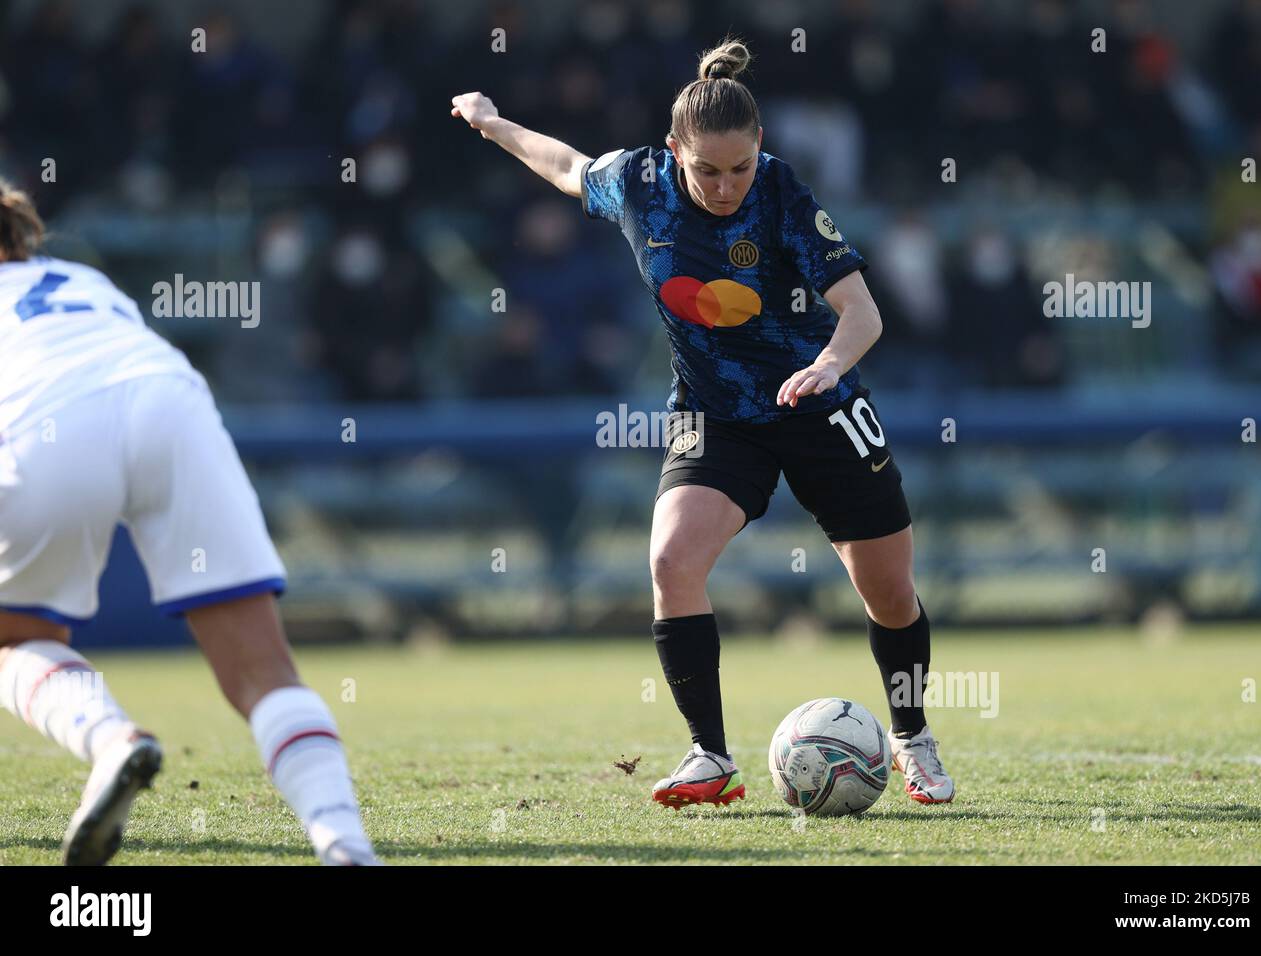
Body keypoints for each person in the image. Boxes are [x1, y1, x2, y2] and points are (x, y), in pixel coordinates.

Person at [451, 37, 954, 807]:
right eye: (707, 170)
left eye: (739, 168)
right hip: (716, 414)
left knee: (888, 591)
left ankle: (913, 738)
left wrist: (828, 364)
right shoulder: (636, 183)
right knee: (671, 562)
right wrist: (491, 123)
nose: (725, 187)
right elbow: (562, 165)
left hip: (817, 404)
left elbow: (862, 311)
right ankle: (709, 756)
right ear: (672, 151)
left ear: (761, 148)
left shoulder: (782, 193)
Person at [0, 181, 379, 864]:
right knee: (265, 674)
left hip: (46, 422)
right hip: (168, 397)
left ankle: (111, 739)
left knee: (13, 640)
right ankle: (345, 845)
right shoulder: (80, 277)